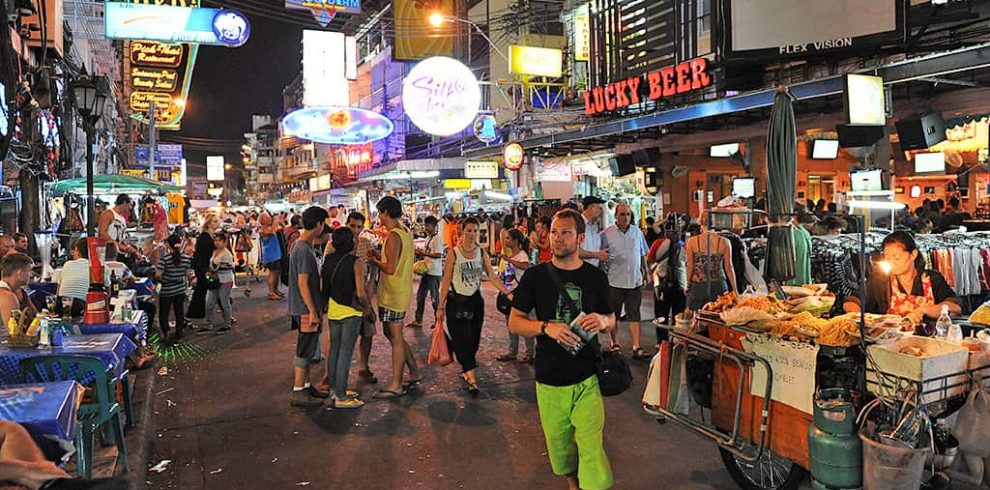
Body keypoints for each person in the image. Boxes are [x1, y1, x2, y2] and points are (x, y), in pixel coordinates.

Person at [508, 209, 617, 490]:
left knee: (591, 447)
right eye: (554, 232)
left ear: (580, 237)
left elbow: (611, 319)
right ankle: (573, 483)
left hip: (587, 378)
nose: (556, 238)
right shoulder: (535, 277)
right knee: (562, 452)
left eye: (565, 232)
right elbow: (515, 322)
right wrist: (547, 328)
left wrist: (604, 320)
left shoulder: (596, 278)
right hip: (549, 379)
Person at [436, 217, 513, 396]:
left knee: (473, 341)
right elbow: (446, 281)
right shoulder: (453, 254)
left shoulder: (481, 252)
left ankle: (465, 363)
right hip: (456, 303)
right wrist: (440, 307)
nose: (472, 234)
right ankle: (473, 381)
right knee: (462, 340)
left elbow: (492, 276)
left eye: (475, 231)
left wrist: (507, 292)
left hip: (475, 302)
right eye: (469, 230)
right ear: (461, 231)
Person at [843, 231, 960, 331]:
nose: (891, 262)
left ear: (913, 254)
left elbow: (955, 308)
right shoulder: (880, 279)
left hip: (927, 343)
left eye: (896, 258)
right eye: (887, 257)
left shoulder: (933, 278)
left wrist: (922, 310)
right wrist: (863, 320)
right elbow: (851, 303)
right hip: (889, 344)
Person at [369, 196, 421, 399]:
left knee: (396, 337)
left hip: (393, 293)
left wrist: (373, 260)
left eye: (379, 213)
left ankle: (396, 384)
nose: (378, 217)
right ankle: (414, 372)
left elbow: (390, 268)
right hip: (398, 291)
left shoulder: (393, 236)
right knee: (393, 336)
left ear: (385, 212)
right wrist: (379, 255)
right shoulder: (404, 232)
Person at [321, 227, 374, 408]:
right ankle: (342, 397)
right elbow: (360, 293)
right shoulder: (355, 262)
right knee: (345, 354)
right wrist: (367, 309)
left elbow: (324, 286)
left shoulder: (327, 260)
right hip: (351, 312)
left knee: (335, 351)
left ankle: (335, 390)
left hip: (334, 310)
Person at [289, 206, 330, 407]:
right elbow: (303, 282)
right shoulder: (303, 248)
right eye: (324, 223)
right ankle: (298, 390)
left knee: (309, 345)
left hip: (305, 306)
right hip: (305, 308)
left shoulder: (302, 246)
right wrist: (313, 310)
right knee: (305, 348)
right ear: (319, 223)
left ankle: (305, 386)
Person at [601, 203, 650, 358]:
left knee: (634, 314)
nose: (625, 217)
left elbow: (642, 254)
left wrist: (646, 272)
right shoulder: (607, 234)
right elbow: (601, 257)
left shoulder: (637, 232)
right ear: (615, 216)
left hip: (635, 281)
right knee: (613, 314)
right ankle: (614, 343)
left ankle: (636, 346)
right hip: (614, 281)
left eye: (627, 214)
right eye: (622, 214)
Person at [496, 228, 534, 363]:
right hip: (510, 293)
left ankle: (530, 353)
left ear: (516, 241)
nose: (505, 241)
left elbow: (525, 266)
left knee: (525, 323)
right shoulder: (510, 256)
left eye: (508, 238)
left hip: (521, 294)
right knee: (511, 324)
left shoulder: (522, 255)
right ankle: (512, 351)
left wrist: (509, 261)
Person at [647, 216, 686, 345]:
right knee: (678, 316)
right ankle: (676, 340)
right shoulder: (684, 245)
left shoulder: (658, 243)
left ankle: (662, 342)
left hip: (661, 283)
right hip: (680, 284)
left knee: (661, 315)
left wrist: (652, 276)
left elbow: (650, 261)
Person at [684, 222, 737, 311]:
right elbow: (729, 268)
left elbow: (690, 266)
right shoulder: (725, 242)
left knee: (696, 317)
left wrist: (687, 284)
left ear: (701, 225)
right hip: (719, 284)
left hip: (698, 285)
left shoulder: (692, 241)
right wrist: (735, 290)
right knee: (718, 317)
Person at [409, 216, 444, 329]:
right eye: (425, 225)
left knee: (435, 298)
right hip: (427, 271)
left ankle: (438, 321)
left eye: (427, 225)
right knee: (420, 296)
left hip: (434, 273)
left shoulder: (437, 239)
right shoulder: (428, 238)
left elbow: (438, 254)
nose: (425, 228)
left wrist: (424, 254)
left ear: (434, 226)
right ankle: (418, 320)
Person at [156, 234, 192, 345]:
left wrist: (159, 278)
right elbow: (188, 274)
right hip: (180, 289)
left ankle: (166, 332)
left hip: (167, 290)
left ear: (168, 245)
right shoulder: (186, 258)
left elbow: (158, 275)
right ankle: (179, 334)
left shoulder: (165, 259)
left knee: (164, 313)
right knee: (179, 312)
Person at [186, 214, 219, 328]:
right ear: (209, 223)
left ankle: (192, 315)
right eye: (215, 221)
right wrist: (206, 268)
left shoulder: (208, 235)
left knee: (204, 291)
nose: (217, 223)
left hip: (204, 268)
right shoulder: (205, 237)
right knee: (206, 290)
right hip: (203, 268)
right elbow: (204, 255)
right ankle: (191, 316)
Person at [204, 231, 235, 334]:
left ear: (224, 242)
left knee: (224, 302)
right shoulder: (214, 252)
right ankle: (208, 324)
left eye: (219, 241)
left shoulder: (227, 254)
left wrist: (213, 270)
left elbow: (227, 267)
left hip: (225, 281)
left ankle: (227, 323)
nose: (217, 243)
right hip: (214, 281)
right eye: (215, 240)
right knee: (209, 303)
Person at [97, 194, 139, 264]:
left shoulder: (122, 218)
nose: (130, 208)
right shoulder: (108, 214)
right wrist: (118, 245)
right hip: (109, 253)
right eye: (130, 205)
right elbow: (102, 233)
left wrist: (129, 247)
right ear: (125, 203)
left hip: (120, 253)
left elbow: (122, 236)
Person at [0, 253, 34, 336]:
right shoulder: (8, 297)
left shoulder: (16, 293)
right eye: (29, 272)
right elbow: (15, 335)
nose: (31, 275)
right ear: (20, 273)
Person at [55, 239, 90, 317]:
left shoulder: (67, 264)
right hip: (82, 309)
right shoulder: (97, 267)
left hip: (60, 307)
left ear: (77, 250)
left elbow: (58, 292)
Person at [578, 196, 610, 266]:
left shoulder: (595, 227)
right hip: (580, 270)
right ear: (591, 207)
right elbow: (574, 251)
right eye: (599, 208)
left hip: (595, 270)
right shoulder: (577, 224)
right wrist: (596, 255)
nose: (600, 211)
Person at [260, 210, 284, 300]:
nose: (269, 218)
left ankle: (275, 290)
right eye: (266, 217)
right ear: (262, 220)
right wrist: (275, 221)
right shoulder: (264, 229)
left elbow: (281, 228)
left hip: (276, 253)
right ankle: (271, 292)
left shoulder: (270, 227)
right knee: (272, 274)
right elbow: (273, 232)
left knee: (277, 273)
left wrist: (279, 221)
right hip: (271, 255)